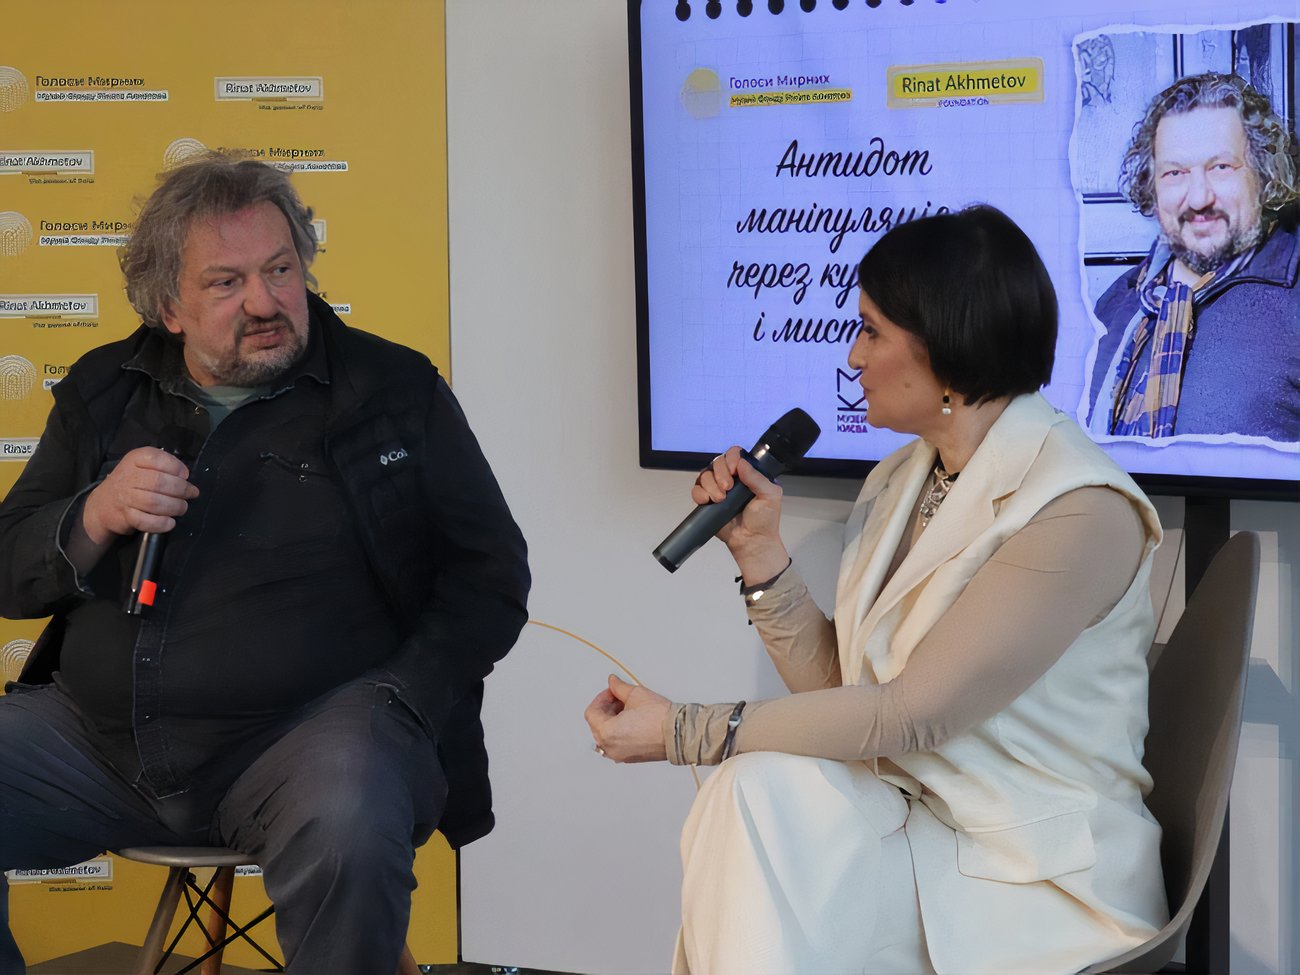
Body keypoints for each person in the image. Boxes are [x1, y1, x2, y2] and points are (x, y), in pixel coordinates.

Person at [587, 206, 1169, 974]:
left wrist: (684, 730)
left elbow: (909, 715)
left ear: (947, 346)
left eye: (871, 331)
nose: (853, 355)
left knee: (753, 793)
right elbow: (851, 691)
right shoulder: (901, 476)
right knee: (755, 789)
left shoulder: (1079, 508)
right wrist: (760, 555)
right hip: (912, 831)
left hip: (1033, 877)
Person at [0, 153, 530, 974]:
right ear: (168, 307)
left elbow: (489, 575)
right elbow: (10, 570)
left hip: (308, 748)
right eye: (227, 282)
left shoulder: (391, 390)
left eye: (280, 270)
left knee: (349, 816)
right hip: (99, 745)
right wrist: (93, 513)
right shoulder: (105, 390)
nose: (264, 301)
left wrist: (400, 700)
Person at [1087, 71, 1300, 441]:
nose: (1199, 198)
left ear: (1265, 176)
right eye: (1175, 172)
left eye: (1221, 167)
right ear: (1152, 187)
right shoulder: (1115, 304)